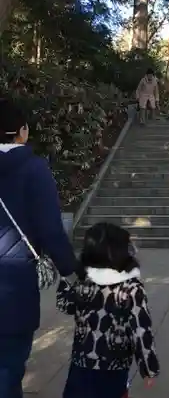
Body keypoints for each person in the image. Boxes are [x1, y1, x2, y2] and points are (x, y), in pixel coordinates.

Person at [0, 98, 78, 398]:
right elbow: (50, 230)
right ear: (21, 131)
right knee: (7, 369)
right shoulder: (33, 168)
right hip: (13, 290)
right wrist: (72, 273)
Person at [57, 222, 160, 398]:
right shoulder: (131, 289)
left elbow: (65, 304)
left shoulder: (82, 283)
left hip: (81, 363)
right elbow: (141, 331)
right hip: (114, 366)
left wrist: (66, 277)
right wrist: (148, 368)